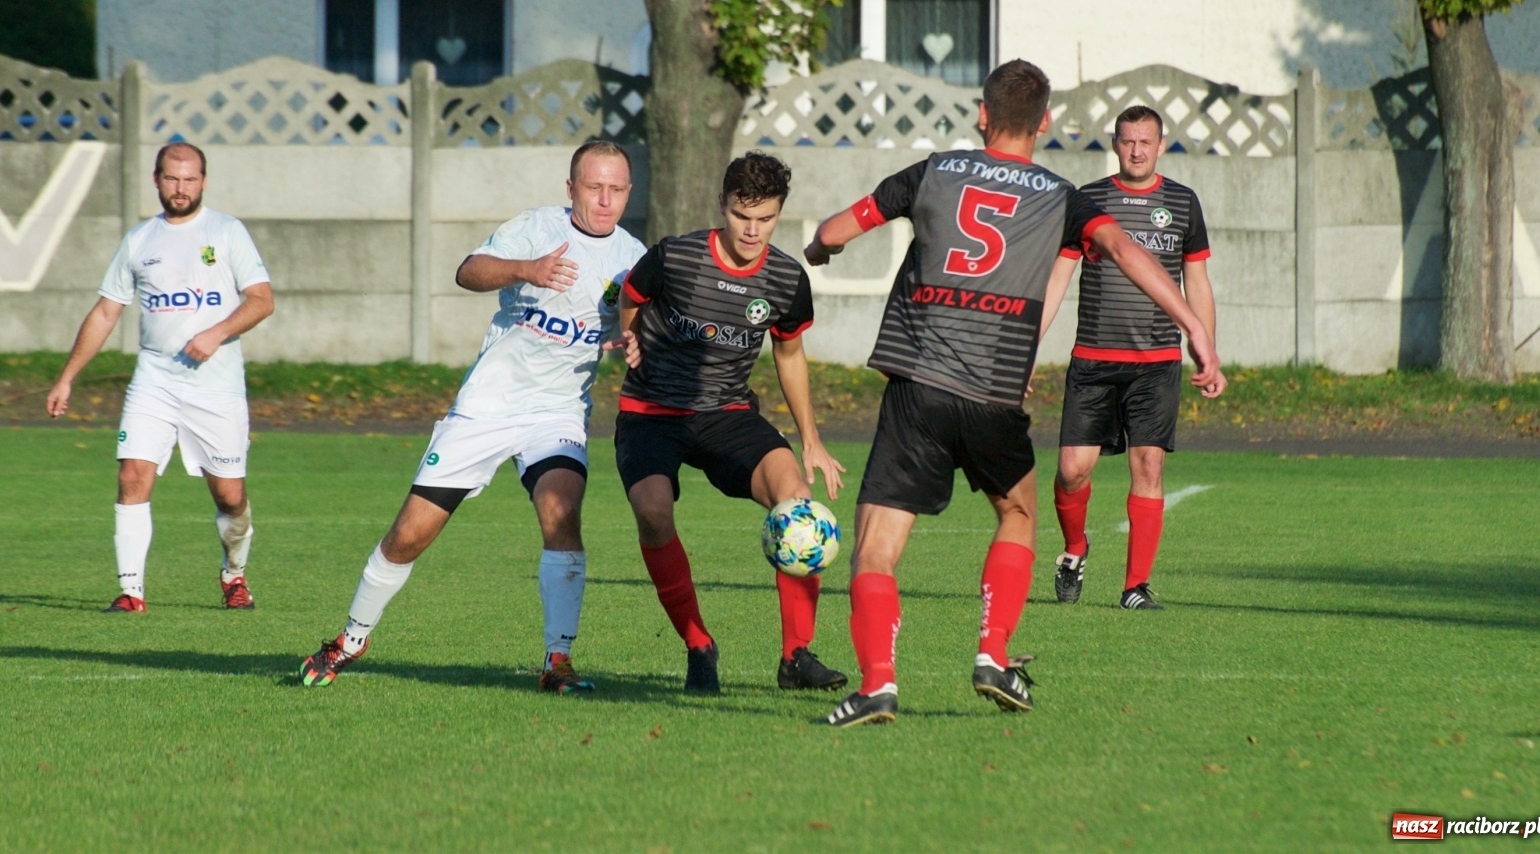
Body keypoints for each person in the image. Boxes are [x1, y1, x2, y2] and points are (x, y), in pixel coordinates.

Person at [803, 60, 1225, 727]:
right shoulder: (1063, 197)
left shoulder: (935, 170)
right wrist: (1193, 324)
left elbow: (834, 232)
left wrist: (821, 250)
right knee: (1019, 514)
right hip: (995, 392)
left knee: (876, 546)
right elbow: (1121, 248)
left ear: (981, 114)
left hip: (917, 387)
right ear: (1046, 123)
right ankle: (992, 654)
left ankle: (879, 684)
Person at [299, 140, 644, 692]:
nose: (605, 200)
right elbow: (469, 270)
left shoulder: (633, 256)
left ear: (628, 191)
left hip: (555, 412)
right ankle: (351, 639)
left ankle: (558, 663)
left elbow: (639, 322)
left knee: (562, 515)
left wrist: (634, 341)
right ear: (571, 187)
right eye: (594, 187)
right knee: (410, 535)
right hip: (487, 407)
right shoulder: (535, 228)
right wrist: (526, 269)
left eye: (617, 189)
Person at [615, 151, 848, 694]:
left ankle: (796, 657)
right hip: (651, 413)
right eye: (743, 215)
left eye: (765, 218)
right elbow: (630, 294)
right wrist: (628, 338)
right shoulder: (675, 256)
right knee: (652, 513)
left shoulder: (787, 278)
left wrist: (810, 439)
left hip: (728, 413)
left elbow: (789, 356)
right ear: (722, 205)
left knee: (797, 503)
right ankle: (699, 646)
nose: (752, 228)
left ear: (779, 213)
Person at [47, 142, 275, 613]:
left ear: (204, 182)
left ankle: (234, 574)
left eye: (190, 179)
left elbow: (261, 299)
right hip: (154, 380)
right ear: (156, 180)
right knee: (132, 475)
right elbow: (107, 311)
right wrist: (67, 376)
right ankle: (132, 592)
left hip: (216, 385)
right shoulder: (139, 240)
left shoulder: (227, 232)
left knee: (230, 496)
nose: (180, 188)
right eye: (172, 178)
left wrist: (217, 332)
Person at [1040, 105, 1218, 611]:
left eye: (1146, 141)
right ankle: (1075, 551)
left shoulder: (1183, 203)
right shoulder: (1088, 201)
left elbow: (1197, 280)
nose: (1136, 150)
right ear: (1114, 144)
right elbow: (1058, 277)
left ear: (1162, 145)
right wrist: (1028, 348)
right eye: (1127, 141)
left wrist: (1206, 345)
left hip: (1157, 361)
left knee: (1149, 466)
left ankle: (1134, 587)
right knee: (1073, 470)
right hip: (1094, 360)